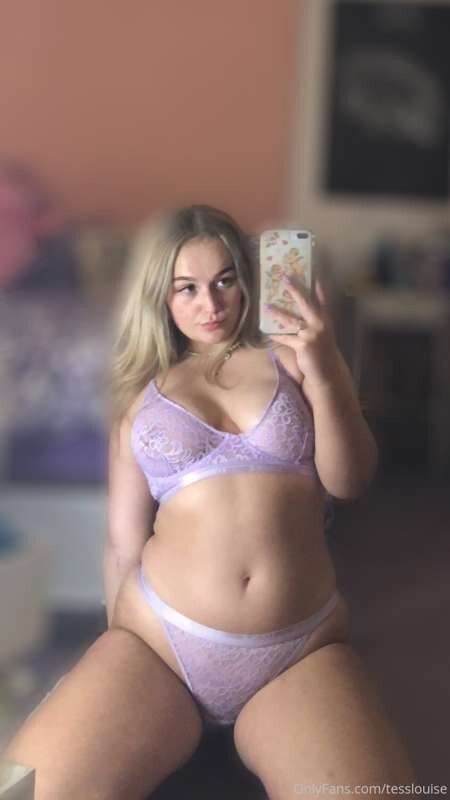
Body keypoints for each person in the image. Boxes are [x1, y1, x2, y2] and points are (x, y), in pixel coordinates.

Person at [4, 205, 413, 798]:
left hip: (298, 649)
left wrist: (324, 364)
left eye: (225, 281)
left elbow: (349, 480)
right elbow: (123, 541)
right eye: (187, 288)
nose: (211, 304)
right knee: (22, 791)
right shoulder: (140, 395)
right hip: (160, 647)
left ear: (247, 280)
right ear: (161, 299)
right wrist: (115, 664)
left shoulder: (297, 361)